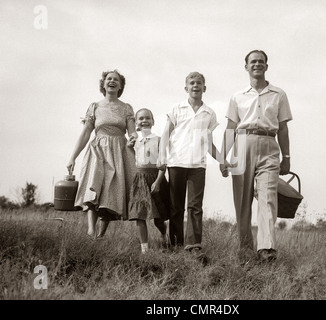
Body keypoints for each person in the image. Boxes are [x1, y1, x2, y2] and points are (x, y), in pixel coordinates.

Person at [219, 50, 293, 264]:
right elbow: (230, 128)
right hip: (242, 145)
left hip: (269, 146)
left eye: (261, 61)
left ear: (266, 66)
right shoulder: (237, 96)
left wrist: (286, 157)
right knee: (242, 201)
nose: (257, 64)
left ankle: (266, 248)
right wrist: (224, 156)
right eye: (253, 62)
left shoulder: (279, 94)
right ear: (246, 67)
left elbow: (283, 129)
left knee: (268, 198)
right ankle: (245, 249)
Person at [158, 71, 228, 252]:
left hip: (198, 166)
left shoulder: (209, 113)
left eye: (199, 83)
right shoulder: (176, 108)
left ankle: (193, 245)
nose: (195, 86)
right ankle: (175, 244)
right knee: (176, 207)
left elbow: (209, 143)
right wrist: (161, 155)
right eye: (192, 83)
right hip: (176, 163)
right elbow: (166, 134)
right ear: (186, 88)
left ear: (204, 88)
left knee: (195, 207)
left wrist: (222, 160)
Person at [67, 69, 138, 239]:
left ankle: (100, 236)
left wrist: (134, 138)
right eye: (109, 79)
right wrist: (72, 157)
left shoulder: (126, 108)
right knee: (93, 187)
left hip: (119, 151)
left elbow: (132, 132)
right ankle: (91, 231)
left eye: (116, 80)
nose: (112, 81)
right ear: (103, 83)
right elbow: (85, 133)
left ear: (120, 86)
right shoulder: (95, 107)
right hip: (98, 150)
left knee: (111, 192)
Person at [128, 108, 170, 254]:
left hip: (155, 177)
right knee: (139, 214)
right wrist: (130, 148)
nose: (144, 121)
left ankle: (164, 235)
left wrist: (158, 182)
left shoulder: (158, 139)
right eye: (140, 119)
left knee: (158, 217)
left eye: (147, 118)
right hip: (140, 179)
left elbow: (162, 163)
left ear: (153, 121)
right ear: (136, 123)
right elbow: (136, 161)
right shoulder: (134, 141)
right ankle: (144, 249)